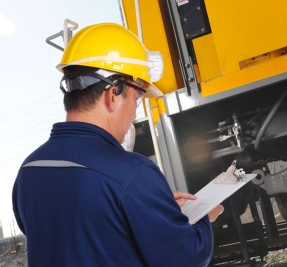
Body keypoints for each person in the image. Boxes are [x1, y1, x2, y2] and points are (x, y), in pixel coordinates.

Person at [12, 23, 223, 267]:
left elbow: (74, 237)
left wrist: (151, 207)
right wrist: (205, 218)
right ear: (113, 94)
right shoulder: (133, 173)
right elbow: (187, 259)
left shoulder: (28, 170)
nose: (135, 112)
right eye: (136, 98)